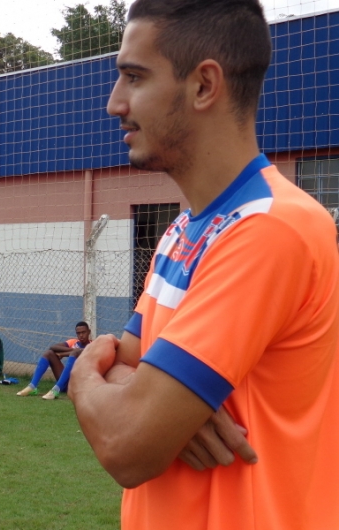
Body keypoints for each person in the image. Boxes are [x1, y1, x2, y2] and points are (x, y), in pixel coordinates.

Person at [69, 2, 339, 529]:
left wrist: (83, 373)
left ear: (203, 86)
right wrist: (160, 406)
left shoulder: (269, 228)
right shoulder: (184, 230)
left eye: (133, 77)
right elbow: (128, 369)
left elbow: (127, 444)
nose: (113, 103)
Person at [16, 321, 91, 399]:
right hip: (67, 383)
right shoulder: (73, 342)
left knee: (75, 353)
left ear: (89, 332)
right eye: (78, 333)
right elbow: (53, 347)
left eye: (83, 332)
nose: (81, 335)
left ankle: (55, 390)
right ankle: (32, 386)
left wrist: (63, 354)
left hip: (79, 384)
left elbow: (82, 351)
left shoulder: (93, 345)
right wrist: (73, 350)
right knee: (49, 353)